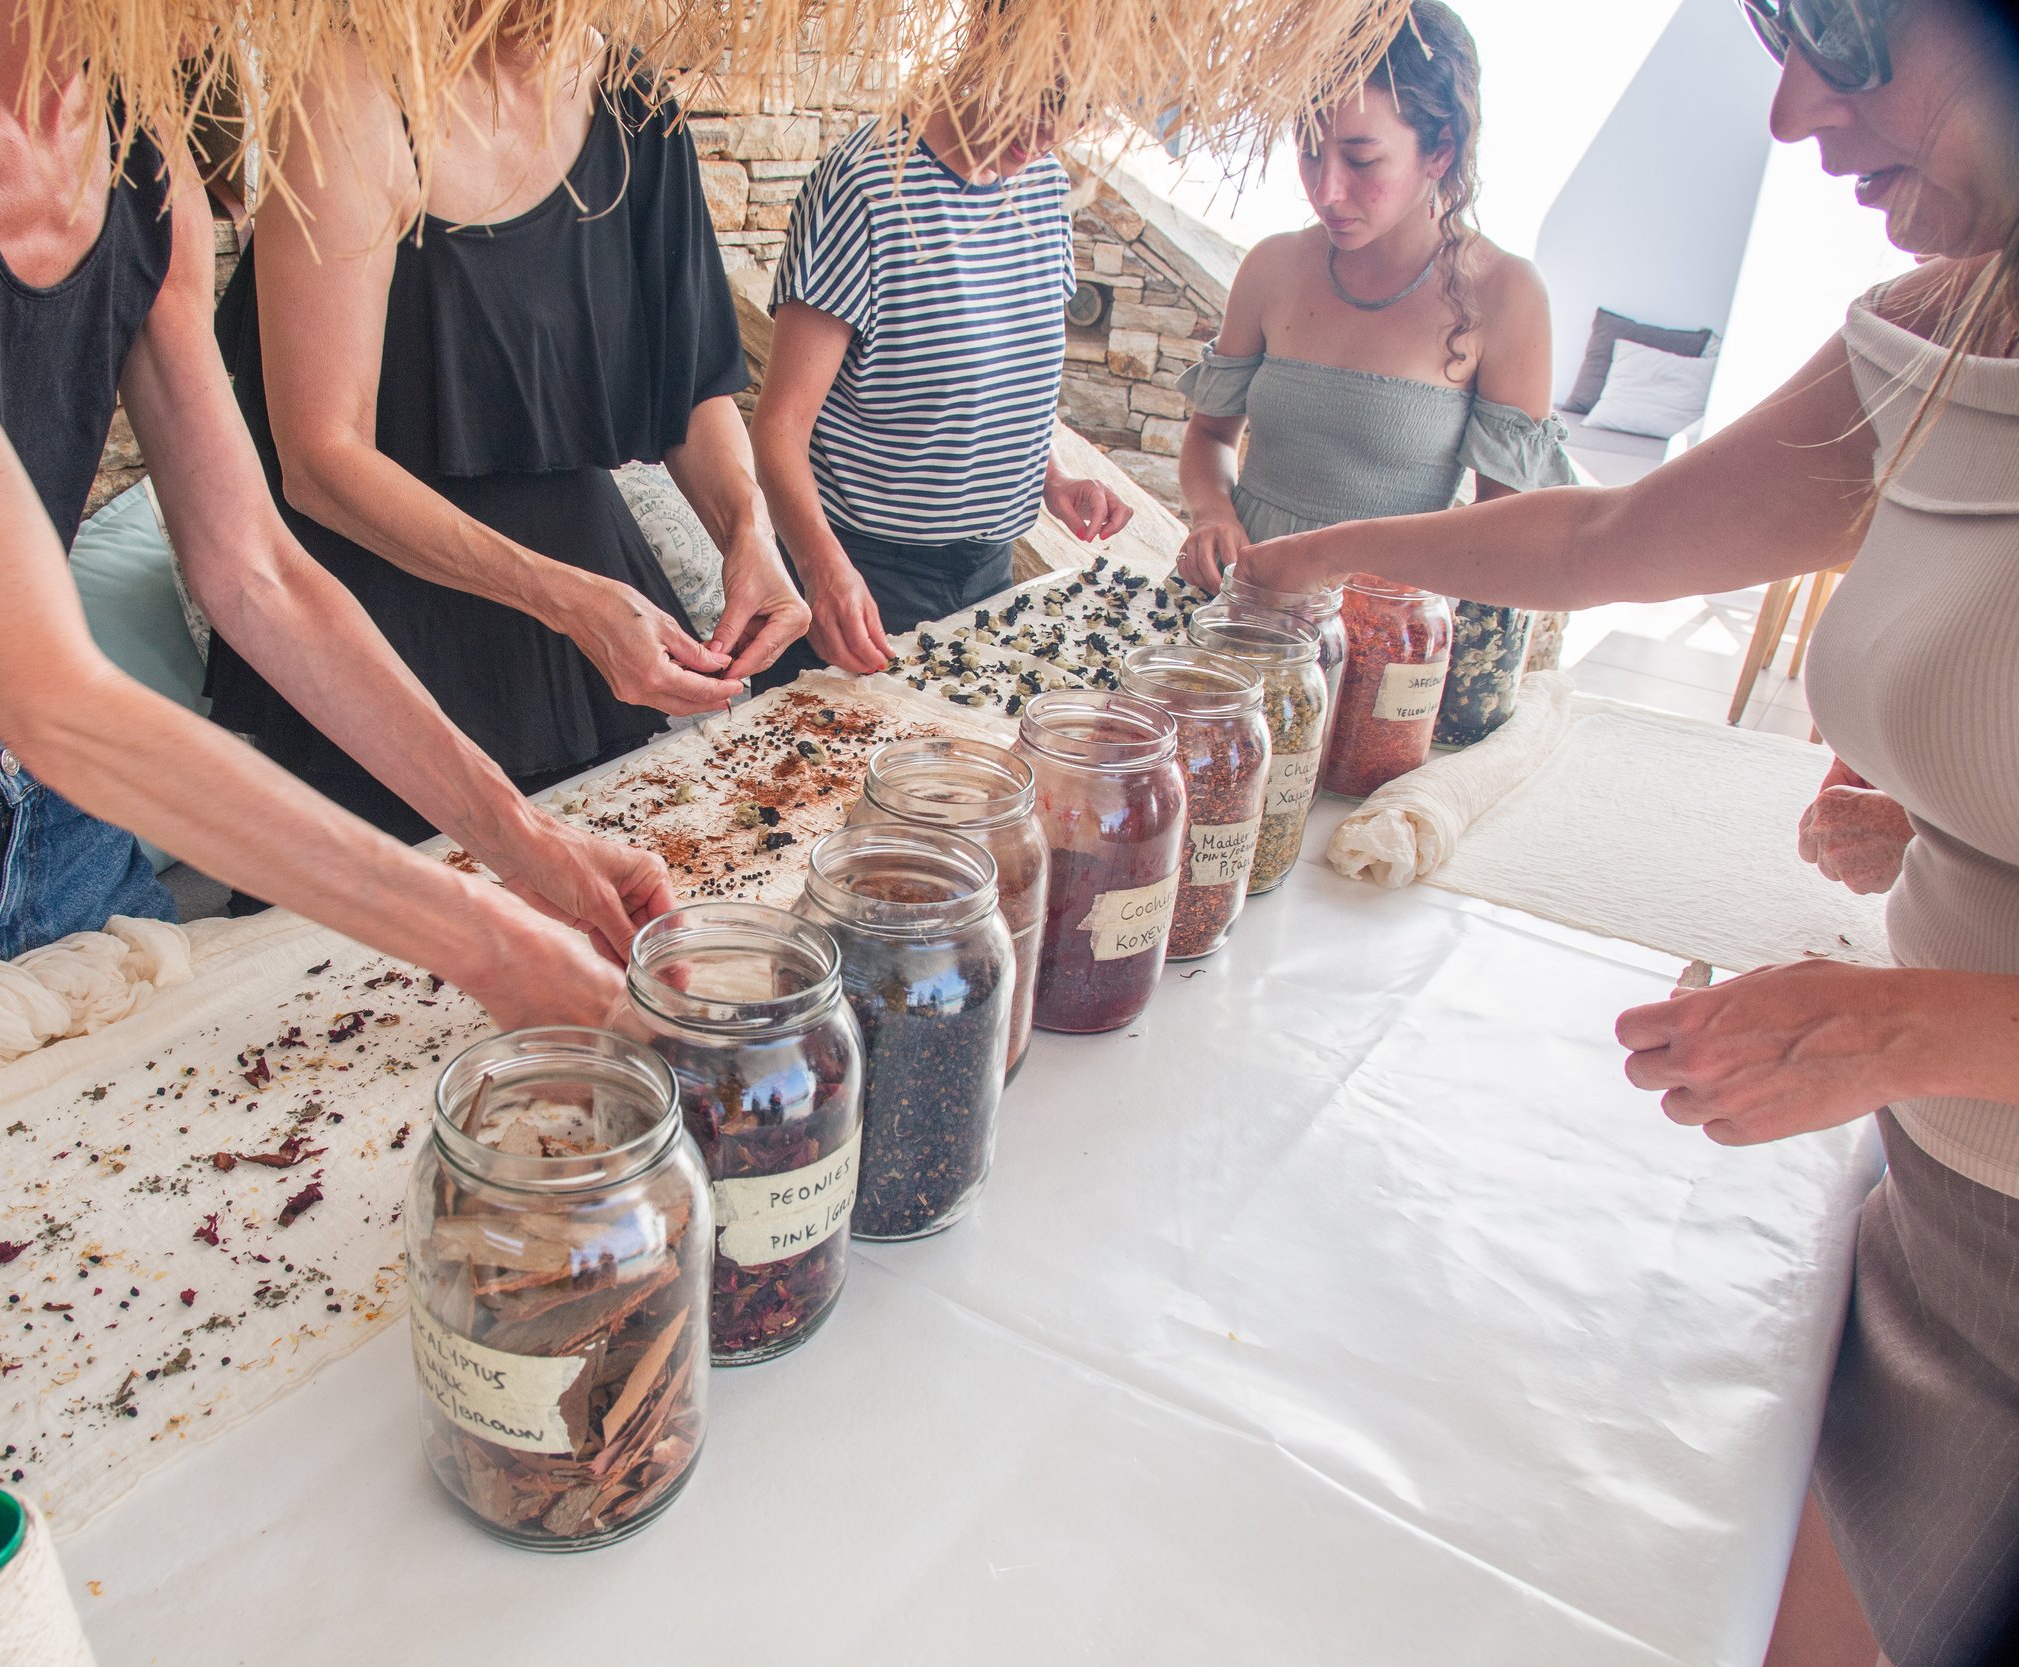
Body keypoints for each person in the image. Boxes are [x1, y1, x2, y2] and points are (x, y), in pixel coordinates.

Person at [0, 0, 670, 1189]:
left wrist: (521, 842)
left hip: (60, 832)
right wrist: (483, 942)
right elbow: (48, 688)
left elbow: (258, 574)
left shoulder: (139, 145)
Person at [1235, 1, 2019, 1660]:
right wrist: (1315, 558)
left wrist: (1912, 1016)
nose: (1795, 108)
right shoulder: (1948, 326)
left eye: (1851, 31)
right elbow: (1611, 531)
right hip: (1931, 1196)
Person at [206, 33, 808, 847]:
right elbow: (319, 458)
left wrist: (748, 532)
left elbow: (694, 387)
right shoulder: (350, 92)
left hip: (588, 655)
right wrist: (566, 599)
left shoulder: (635, 106)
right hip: (383, 646)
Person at [1172, 0, 1573, 595]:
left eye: (1361, 160)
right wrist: (1213, 513)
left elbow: (1506, 530)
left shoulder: (1505, 294)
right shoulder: (1271, 266)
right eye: (1308, 149)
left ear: (1441, 149)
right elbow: (1210, 436)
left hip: (1384, 625)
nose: (1326, 190)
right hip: (1237, 602)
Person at [751, 60, 1136, 680]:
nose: (1052, 129)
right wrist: (823, 572)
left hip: (991, 575)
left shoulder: (1046, 185)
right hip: (863, 579)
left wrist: (1052, 476)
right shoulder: (864, 185)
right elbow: (779, 427)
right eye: (1051, 91)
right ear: (993, 32)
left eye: (1086, 108)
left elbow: (1006, 374)